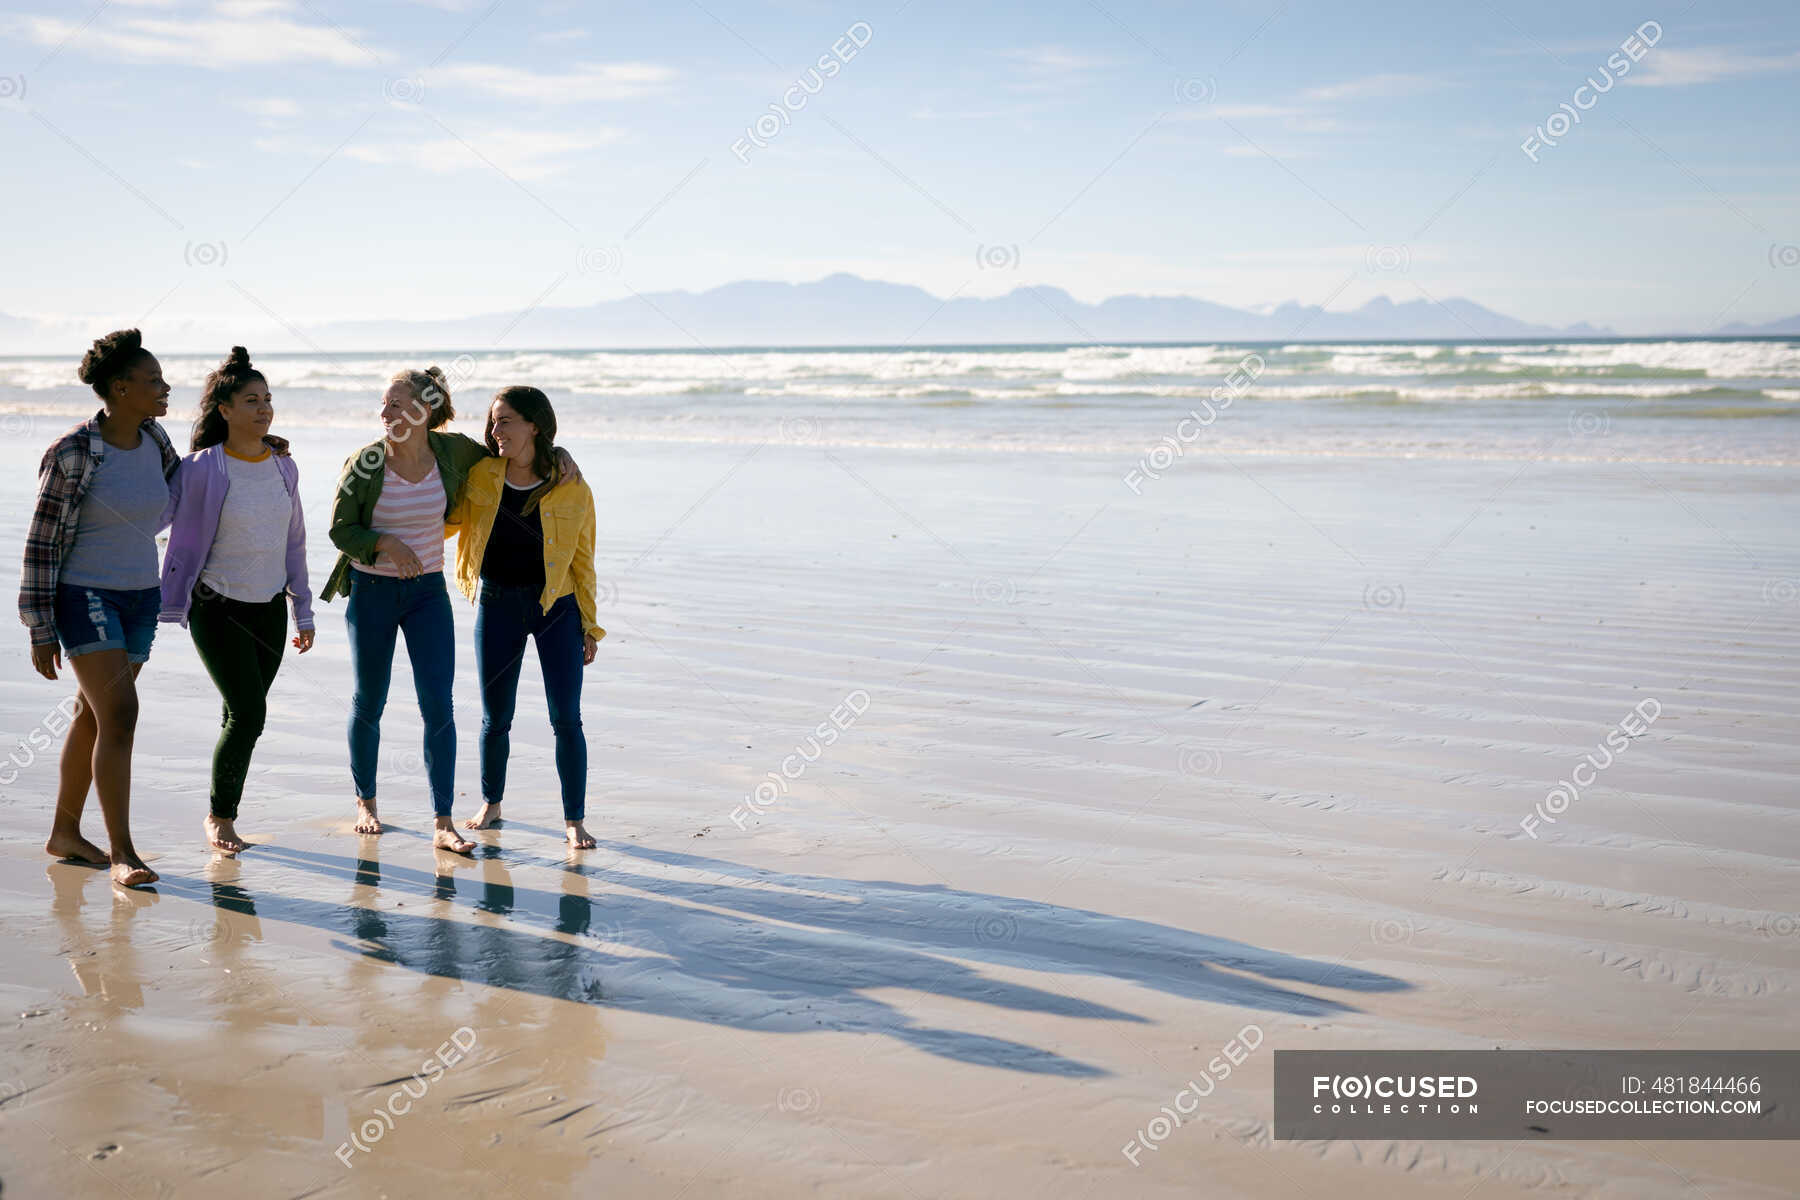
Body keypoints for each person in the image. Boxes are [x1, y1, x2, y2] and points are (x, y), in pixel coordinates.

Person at [321, 368, 578, 855]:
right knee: (369, 699)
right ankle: (367, 803)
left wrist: (560, 455)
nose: (386, 414)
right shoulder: (365, 463)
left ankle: (442, 821)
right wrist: (384, 543)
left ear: (424, 411)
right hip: (373, 592)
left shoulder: (453, 452)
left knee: (439, 704)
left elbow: (513, 455)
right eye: (384, 405)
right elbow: (340, 529)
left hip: (427, 595)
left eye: (396, 405)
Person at [19, 329, 175, 888]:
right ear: (120, 387)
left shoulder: (156, 439)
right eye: (153, 380)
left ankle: (64, 834)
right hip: (84, 594)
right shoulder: (73, 452)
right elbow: (40, 542)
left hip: (141, 595)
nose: (164, 388)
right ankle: (122, 853)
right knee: (122, 716)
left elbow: (186, 490)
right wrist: (39, 628)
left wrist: (258, 451)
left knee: (94, 714)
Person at [160, 346, 314, 855]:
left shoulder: (283, 466)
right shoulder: (200, 468)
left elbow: (295, 541)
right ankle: (220, 818)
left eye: (267, 399)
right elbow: (159, 521)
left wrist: (303, 608)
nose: (264, 408)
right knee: (249, 715)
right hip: (217, 605)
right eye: (251, 400)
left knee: (240, 713)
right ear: (224, 409)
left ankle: (220, 808)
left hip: (267, 608)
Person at [451, 387, 603, 849]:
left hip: (556, 607)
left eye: (507, 421)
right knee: (496, 717)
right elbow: (441, 490)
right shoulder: (482, 472)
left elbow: (583, 557)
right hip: (497, 604)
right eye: (494, 422)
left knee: (567, 719)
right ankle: (491, 802)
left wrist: (590, 625)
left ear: (534, 425)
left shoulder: (570, 484)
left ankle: (574, 820)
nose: (496, 431)